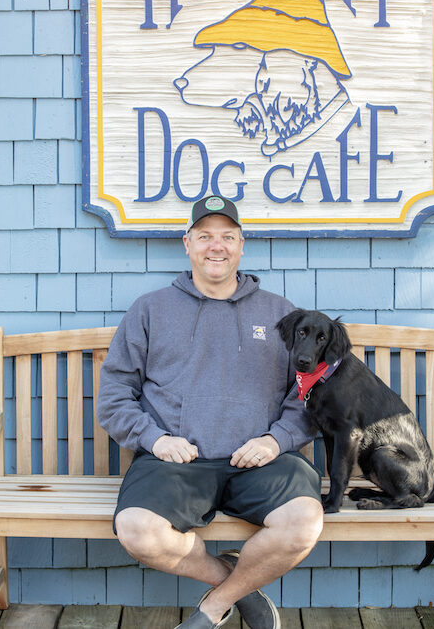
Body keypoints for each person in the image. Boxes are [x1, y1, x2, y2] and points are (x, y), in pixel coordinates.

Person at [97, 195, 324, 629]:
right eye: (204, 236)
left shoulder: (280, 314)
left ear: (241, 245)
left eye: (226, 237)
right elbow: (114, 395)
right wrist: (155, 439)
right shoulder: (150, 310)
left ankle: (211, 608)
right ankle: (238, 592)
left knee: (304, 522)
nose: (215, 246)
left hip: (259, 460)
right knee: (136, 530)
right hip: (176, 462)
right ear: (187, 244)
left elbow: (307, 395)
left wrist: (276, 440)